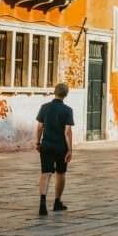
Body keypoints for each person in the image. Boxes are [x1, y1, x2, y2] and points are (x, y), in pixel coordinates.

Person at [35, 83, 74, 216]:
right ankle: (57, 202)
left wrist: (37, 142)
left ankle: (42, 203)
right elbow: (67, 131)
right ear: (66, 94)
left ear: (54, 92)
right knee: (60, 173)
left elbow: (40, 127)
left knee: (45, 173)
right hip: (61, 147)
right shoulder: (67, 110)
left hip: (46, 145)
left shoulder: (44, 108)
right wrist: (70, 150)